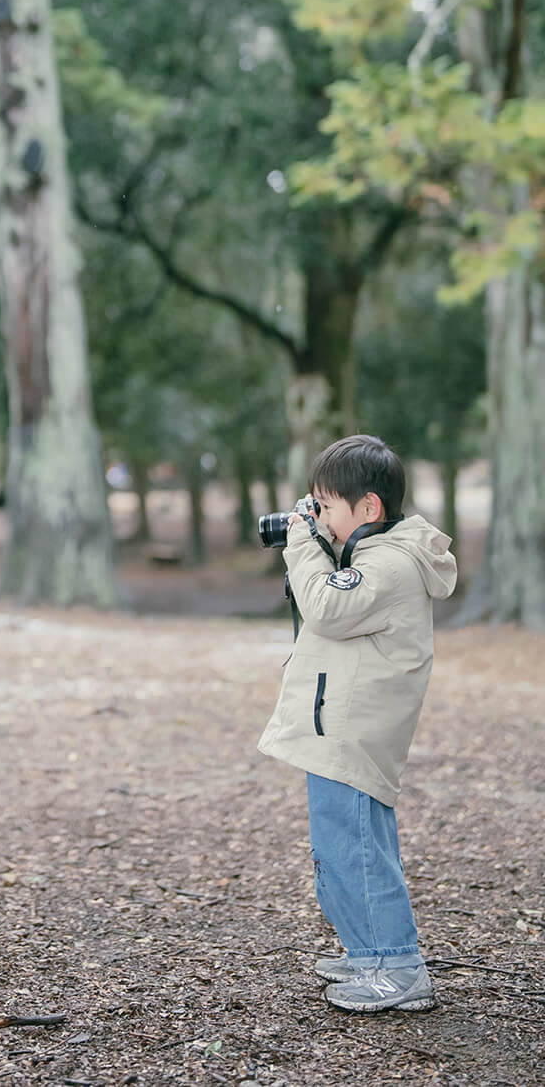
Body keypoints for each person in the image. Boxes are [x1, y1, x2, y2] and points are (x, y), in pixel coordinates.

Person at [257, 434, 457, 1013]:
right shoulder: (373, 555)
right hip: (339, 725)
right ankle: (367, 949)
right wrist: (319, 537)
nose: (316, 516)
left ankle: (395, 964)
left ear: (368, 508)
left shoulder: (389, 563)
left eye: (325, 506)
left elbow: (325, 607)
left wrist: (301, 540)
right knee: (341, 846)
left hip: (352, 730)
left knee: (356, 850)